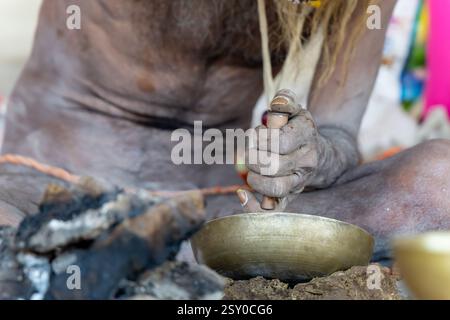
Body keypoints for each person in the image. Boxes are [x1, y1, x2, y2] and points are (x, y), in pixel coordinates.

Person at [1, 0, 449, 260]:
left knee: (440, 182)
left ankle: (173, 255)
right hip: (47, 182)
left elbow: (339, 133)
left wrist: (311, 155)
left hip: (215, 216)